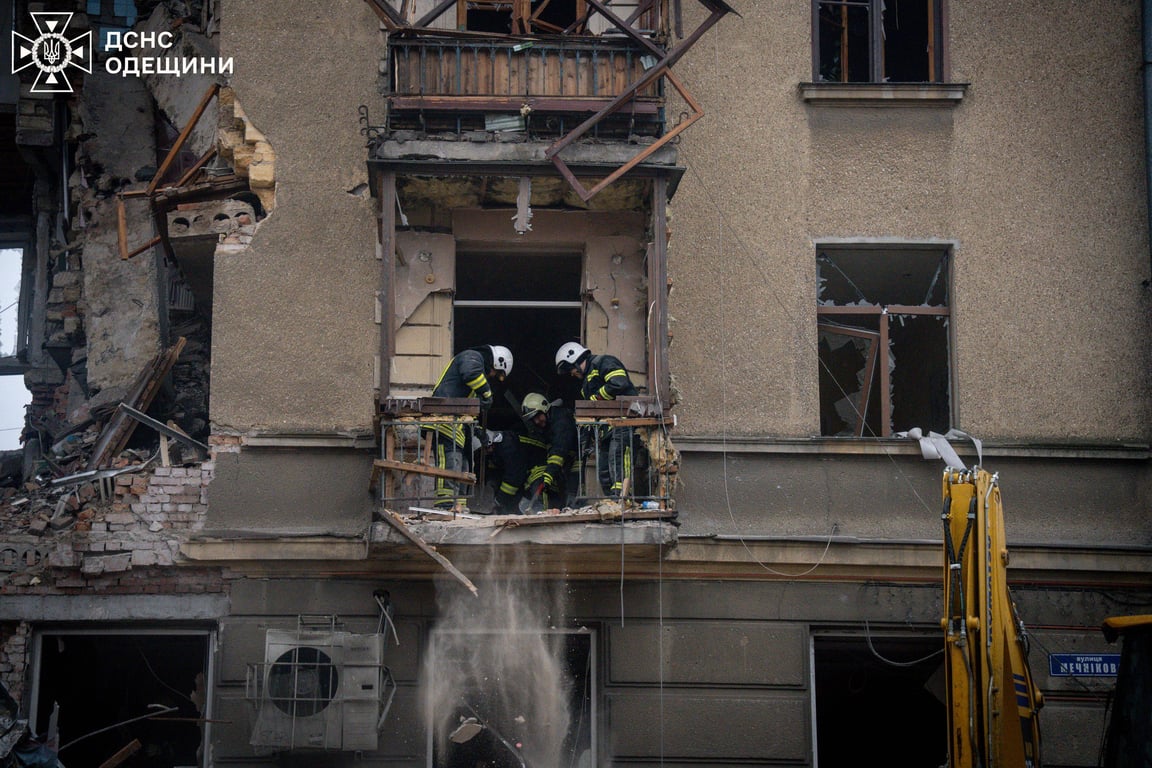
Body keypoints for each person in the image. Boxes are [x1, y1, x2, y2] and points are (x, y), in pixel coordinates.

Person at [426, 345, 513, 511]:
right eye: (496, 373)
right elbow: (470, 372)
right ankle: (445, 505)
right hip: (445, 421)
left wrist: (479, 432)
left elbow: (468, 413)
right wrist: (487, 394)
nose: (491, 376)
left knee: (465, 464)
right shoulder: (471, 356)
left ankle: (459, 505)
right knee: (449, 463)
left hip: (457, 427)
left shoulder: (469, 387)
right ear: (496, 362)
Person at [554, 342, 641, 498]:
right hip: (605, 430)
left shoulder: (603, 362)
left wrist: (596, 399)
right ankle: (613, 503)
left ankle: (624, 503)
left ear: (575, 360)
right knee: (604, 472)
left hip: (623, 422)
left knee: (618, 462)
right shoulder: (585, 384)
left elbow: (619, 383)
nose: (573, 374)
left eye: (571, 370)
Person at [488, 393, 577, 514]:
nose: (537, 421)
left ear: (545, 409)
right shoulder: (548, 426)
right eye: (533, 419)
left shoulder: (561, 421)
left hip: (578, 461)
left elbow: (559, 449)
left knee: (573, 492)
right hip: (562, 465)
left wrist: (549, 474)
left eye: (538, 416)